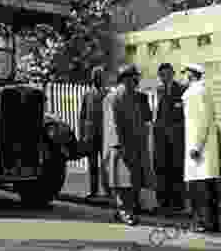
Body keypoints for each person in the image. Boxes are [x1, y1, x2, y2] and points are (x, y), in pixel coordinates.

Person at [102, 64, 154, 226]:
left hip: (134, 145)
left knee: (132, 180)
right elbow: (112, 124)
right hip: (120, 147)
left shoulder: (133, 96)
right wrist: (118, 145)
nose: (137, 80)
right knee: (122, 181)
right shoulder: (114, 97)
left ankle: (123, 210)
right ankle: (124, 211)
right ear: (126, 79)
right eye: (134, 77)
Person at [181, 63, 221, 233]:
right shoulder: (202, 91)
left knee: (201, 188)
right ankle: (211, 222)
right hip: (203, 146)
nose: (184, 76)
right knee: (207, 187)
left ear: (191, 75)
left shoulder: (195, 93)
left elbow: (201, 121)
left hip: (199, 147)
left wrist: (196, 146)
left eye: (185, 73)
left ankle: (204, 223)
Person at [154, 63, 187, 215]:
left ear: (173, 74)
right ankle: (164, 203)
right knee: (162, 170)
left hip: (176, 138)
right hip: (161, 138)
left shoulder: (181, 90)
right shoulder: (159, 90)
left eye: (167, 74)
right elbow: (158, 114)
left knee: (177, 170)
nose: (164, 77)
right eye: (162, 75)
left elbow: (183, 115)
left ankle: (178, 203)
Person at [79, 66, 108, 200]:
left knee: (106, 164)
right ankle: (93, 191)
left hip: (104, 134)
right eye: (95, 76)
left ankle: (108, 191)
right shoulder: (87, 94)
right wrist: (82, 134)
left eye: (99, 76)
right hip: (91, 135)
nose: (96, 79)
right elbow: (83, 116)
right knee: (92, 165)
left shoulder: (108, 93)